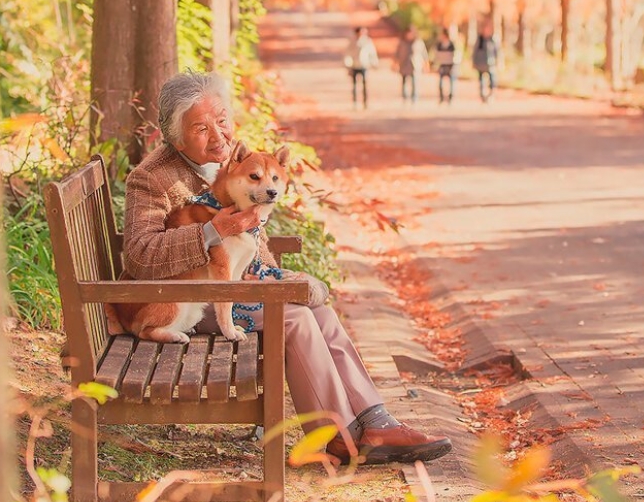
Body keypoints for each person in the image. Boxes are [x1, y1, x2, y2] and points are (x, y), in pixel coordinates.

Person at [122, 71, 451, 466]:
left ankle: (375, 421)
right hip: (188, 300)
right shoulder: (151, 179)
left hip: (235, 288)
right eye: (201, 128)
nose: (218, 134)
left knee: (321, 313)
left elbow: (250, 240)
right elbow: (139, 255)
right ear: (176, 138)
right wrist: (211, 232)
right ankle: (339, 437)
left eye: (222, 120)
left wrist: (275, 276)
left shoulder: (238, 161)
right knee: (293, 318)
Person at [344, 26, 379, 109]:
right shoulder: (353, 42)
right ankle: (355, 102)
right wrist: (348, 64)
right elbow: (348, 54)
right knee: (355, 85)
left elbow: (372, 53)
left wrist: (374, 63)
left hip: (364, 65)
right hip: (354, 66)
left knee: (364, 85)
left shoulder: (367, 42)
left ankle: (365, 102)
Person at [394, 26, 429, 103]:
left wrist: (425, 65)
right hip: (404, 65)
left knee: (414, 82)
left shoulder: (418, 42)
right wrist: (395, 64)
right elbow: (397, 54)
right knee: (404, 82)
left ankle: (414, 98)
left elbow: (424, 54)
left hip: (415, 65)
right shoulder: (402, 42)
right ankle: (405, 97)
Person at [433, 27, 460, 104]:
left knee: (451, 82)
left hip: (450, 65)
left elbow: (455, 54)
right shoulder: (439, 44)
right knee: (441, 82)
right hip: (442, 64)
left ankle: (451, 97)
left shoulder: (451, 44)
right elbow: (436, 55)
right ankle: (441, 98)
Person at [472, 30, 499, 103]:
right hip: (481, 63)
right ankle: (482, 95)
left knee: (492, 80)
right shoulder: (480, 40)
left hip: (490, 64)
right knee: (481, 80)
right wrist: (474, 62)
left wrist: (497, 61)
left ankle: (491, 94)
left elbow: (496, 51)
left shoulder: (492, 40)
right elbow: (474, 51)